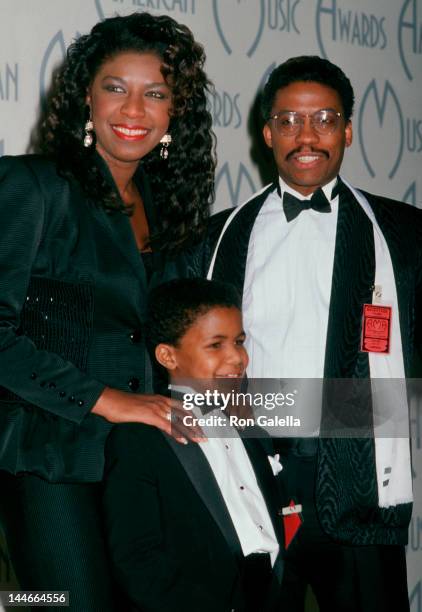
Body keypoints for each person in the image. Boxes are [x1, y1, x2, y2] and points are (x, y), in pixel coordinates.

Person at [0, 12, 214, 611]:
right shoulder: (32, 186)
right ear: (86, 100)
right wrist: (109, 400)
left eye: (156, 94)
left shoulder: (169, 214)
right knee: (65, 605)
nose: (134, 110)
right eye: (116, 87)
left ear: (175, 115)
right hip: (48, 456)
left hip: (139, 461)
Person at [205, 55, 422, 612]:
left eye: (323, 119)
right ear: (267, 132)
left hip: (359, 476)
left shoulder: (405, 234)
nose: (306, 136)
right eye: (289, 121)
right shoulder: (217, 238)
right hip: (255, 473)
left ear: (347, 130)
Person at [103, 278, 287, 612]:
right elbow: (136, 559)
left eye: (239, 341)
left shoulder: (250, 428)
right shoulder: (139, 439)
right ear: (167, 356)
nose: (237, 357)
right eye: (216, 345)